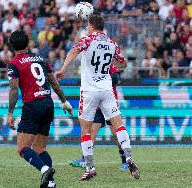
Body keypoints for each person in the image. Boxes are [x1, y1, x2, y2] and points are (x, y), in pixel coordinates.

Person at [55, 15, 140, 181]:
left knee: (85, 129)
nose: (87, 28)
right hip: (107, 90)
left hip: (89, 91)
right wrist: (111, 65)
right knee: (118, 125)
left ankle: (89, 167)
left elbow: (74, 50)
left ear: (92, 26)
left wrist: (63, 69)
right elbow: (123, 63)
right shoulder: (111, 43)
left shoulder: (88, 39)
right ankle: (128, 156)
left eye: (88, 25)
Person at [7, 30, 72, 188]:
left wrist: (9, 112)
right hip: (48, 104)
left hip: (33, 105)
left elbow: (14, 89)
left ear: (12, 46)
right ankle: (50, 184)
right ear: (28, 43)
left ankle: (44, 170)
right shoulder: (40, 59)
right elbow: (53, 82)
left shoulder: (14, 63)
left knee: (22, 148)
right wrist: (64, 101)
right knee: (40, 148)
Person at [68, 68, 128, 172]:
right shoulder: (93, 64)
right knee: (92, 131)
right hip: (97, 106)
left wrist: (99, 78)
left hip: (109, 103)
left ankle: (125, 160)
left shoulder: (106, 63)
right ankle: (85, 159)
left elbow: (115, 78)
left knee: (115, 133)